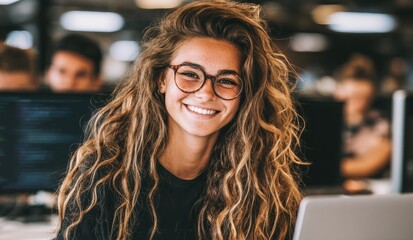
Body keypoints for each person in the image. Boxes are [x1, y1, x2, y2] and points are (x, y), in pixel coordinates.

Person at [55, 1, 304, 239]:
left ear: (246, 95)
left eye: (227, 81)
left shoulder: (261, 187)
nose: (206, 92)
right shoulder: (106, 177)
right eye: (189, 74)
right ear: (161, 80)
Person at [333, 54, 391, 188]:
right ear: (337, 93)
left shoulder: (381, 125)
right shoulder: (327, 123)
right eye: (351, 98)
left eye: (364, 98)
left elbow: (370, 163)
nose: (358, 105)